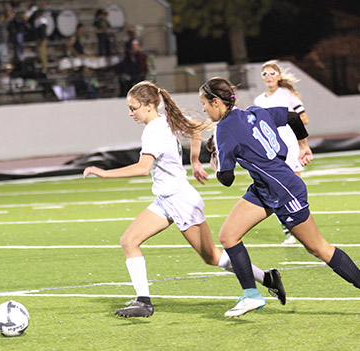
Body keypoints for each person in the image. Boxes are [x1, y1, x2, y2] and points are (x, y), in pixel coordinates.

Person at [83, 81, 286, 318]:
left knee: (210, 256)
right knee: (129, 240)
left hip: (180, 201)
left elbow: (143, 167)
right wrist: (195, 162)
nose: (130, 113)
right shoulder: (163, 122)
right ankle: (143, 301)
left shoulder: (154, 130)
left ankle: (266, 277)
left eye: (133, 107)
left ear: (149, 105)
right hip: (165, 199)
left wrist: (105, 172)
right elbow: (196, 130)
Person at [189, 76, 360, 318]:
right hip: (264, 188)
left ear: (216, 101)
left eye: (204, 103)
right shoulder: (255, 111)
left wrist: (216, 162)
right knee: (228, 236)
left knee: (318, 248)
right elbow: (291, 117)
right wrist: (304, 145)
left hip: (283, 190)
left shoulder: (225, 129)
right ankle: (251, 295)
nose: (204, 109)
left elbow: (226, 180)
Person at [254, 60, 310, 244]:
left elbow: (304, 118)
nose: (268, 77)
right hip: (272, 147)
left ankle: (302, 226)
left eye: (272, 73)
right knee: (276, 186)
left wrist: (303, 144)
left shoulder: (287, 95)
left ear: (278, 76)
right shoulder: (259, 101)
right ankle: (287, 229)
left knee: (295, 184)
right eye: (265, 74)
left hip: (290, 144)